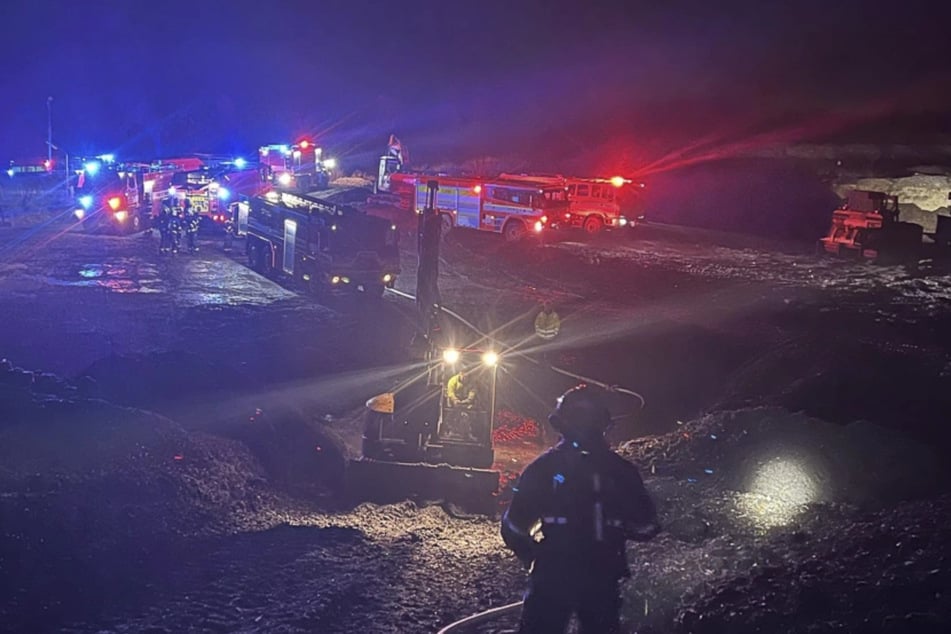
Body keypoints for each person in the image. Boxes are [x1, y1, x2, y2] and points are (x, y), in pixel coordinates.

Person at [501, 385, 659, 634]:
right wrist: (616, 528)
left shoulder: (542, 468)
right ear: (604, 424)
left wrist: (533, 557)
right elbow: (646, 525)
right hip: (602, 577)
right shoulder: (622, 471)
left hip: (552, 574)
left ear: (559, 423)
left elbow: (513, 526)